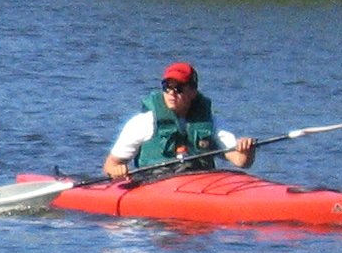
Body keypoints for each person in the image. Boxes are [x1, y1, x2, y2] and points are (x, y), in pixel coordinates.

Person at [101, 62, 254, 181]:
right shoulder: (143, 123)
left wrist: (247, 150)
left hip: (201, 184)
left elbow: (241, 161)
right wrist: (116, 171)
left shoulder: (211, 123)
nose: (172, 93)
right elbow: (110, 164)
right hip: (153, 184)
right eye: (168, 87)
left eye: (179, 88)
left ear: (193, 92)